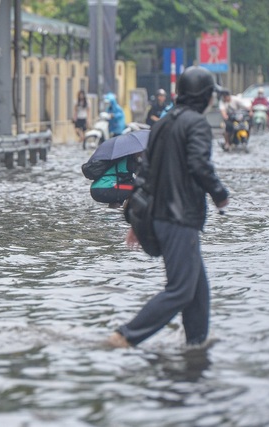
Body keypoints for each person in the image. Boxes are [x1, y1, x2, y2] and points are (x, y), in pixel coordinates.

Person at [107, 66, 230, 349]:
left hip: (159, 217)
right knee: (181, 290)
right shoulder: (197, 124)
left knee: (197, 290)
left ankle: (195, 345)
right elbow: (200, 166)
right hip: (180, 218)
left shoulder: (162, 123)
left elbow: (144, 175)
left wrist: (135, 221)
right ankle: (126, 335)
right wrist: (220, 195)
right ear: (204, 96)